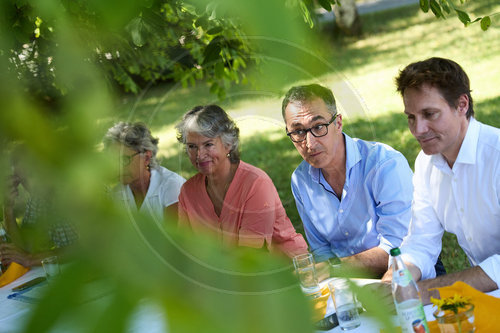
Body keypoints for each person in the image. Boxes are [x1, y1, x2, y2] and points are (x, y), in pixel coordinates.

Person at [380, 57, 500, 302]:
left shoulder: (496, 155)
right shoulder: (426, 163)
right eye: (411, 117)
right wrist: (397, 278)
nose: (418, 130)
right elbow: (421, 240)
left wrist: (423, 291)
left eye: (429, 114)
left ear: (461, 105)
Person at [282, 84, 414, 276]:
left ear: (338, 123)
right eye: (298, 132)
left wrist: (334, 268)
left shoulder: (384, 165)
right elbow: (321, 250)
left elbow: (399, 249)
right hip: (347, 282)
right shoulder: (301, 180)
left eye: (319, 127)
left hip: (403, 274)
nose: (309, 143)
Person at [176, 105, 308, 258]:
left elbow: (250, 257)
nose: (199, 155)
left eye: (208, 144)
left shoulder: (256, 184)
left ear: (228, 145)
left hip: (282, 271)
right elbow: (184, 250)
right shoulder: (188, 191)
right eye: (192, 147)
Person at [1, 145, 78, 267]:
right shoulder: (38, 200)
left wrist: (30, 259)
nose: (26, 185)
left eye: (30, 174)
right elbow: (26, 248)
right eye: (21, 179)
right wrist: (8, 209)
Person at [104, 122, 185, 221]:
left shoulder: (172, 186)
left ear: (146, 157)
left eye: (124, 159)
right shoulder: (117, 195)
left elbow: (175, 235)